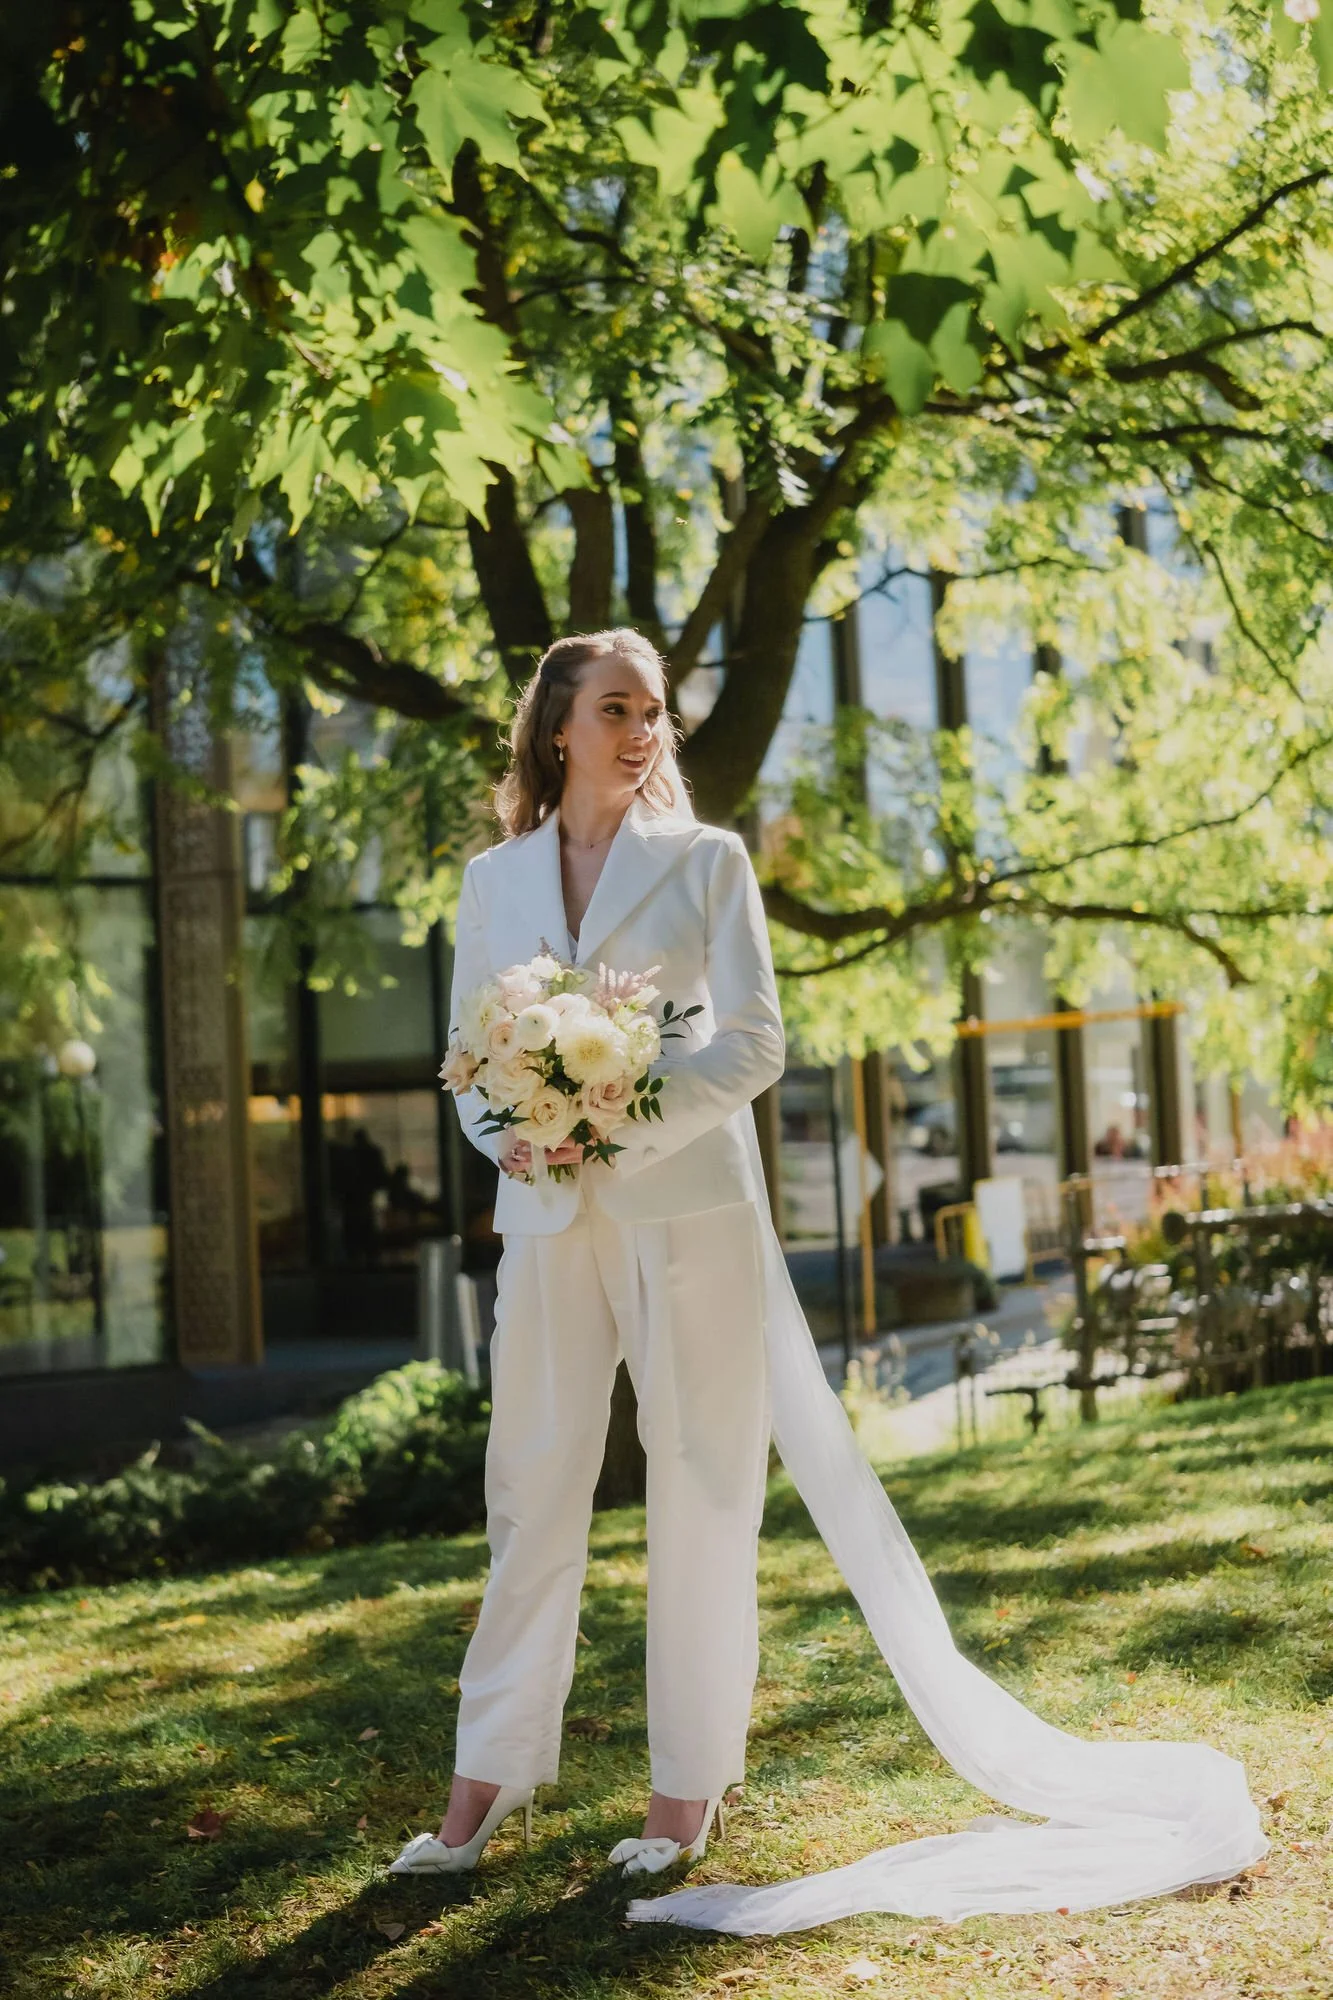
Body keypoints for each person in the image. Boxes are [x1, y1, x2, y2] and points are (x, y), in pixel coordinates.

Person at [388, 626, 1267, 1934]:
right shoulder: (492, 879)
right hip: (545, 1217)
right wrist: (515, 1126)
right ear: (555, 727)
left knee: (698, 1492)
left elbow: (754, 1044)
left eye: (658, 712)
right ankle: (483, 1787)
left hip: (688, 1211)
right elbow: (470, 1054)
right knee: (530, 1490)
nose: (643, 731)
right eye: (616, 709)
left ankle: (683, 1797)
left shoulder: (708, 863)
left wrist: (612, 1112)